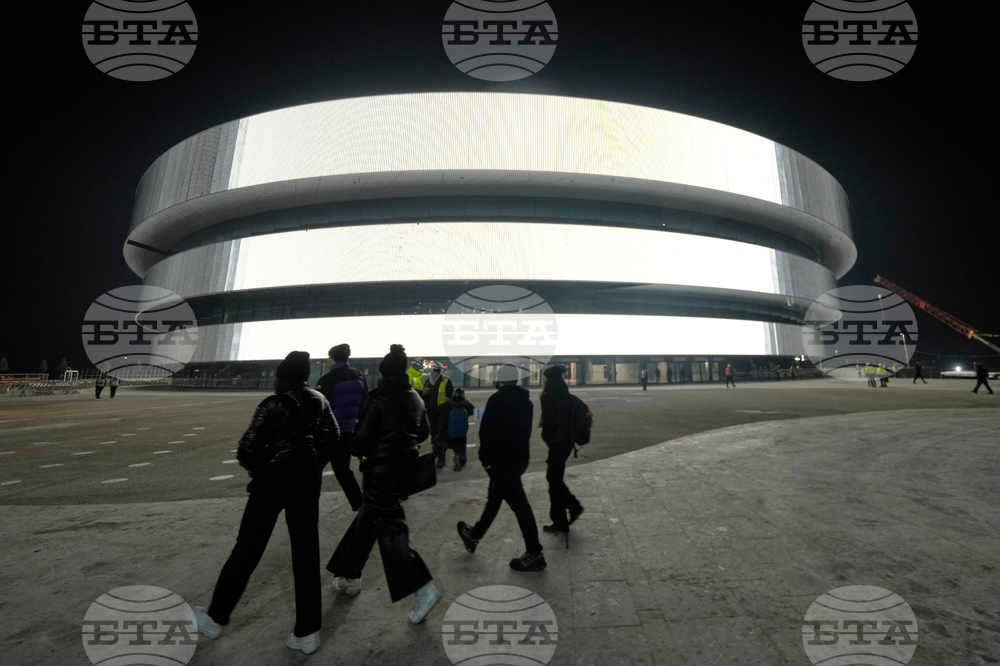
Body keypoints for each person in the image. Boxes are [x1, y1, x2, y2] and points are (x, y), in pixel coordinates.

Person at [194, 351, 338, 655]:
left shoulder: (272, 404)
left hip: (273, 482)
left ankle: (215, 618)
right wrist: (310, 463)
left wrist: (262, 470)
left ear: (281, 375)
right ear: (306, 375)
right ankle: (307, 632)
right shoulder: (319, 400)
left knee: (247, 549)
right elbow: (332, 435)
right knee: (306, 551)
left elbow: (247, 449)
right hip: (306, 481)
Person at [326, 344, 440, 624]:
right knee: (368, 520)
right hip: (406, 471)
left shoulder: (379, 398)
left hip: (380, 472)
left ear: (382, 373)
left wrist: (356, 446)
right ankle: (350, 575)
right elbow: (423, 431)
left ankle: (423, 588)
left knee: (390, 529)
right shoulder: (414, 397)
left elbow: (361, 441)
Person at [456, 364, 546, 572]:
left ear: (500, 380)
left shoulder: (497, 400)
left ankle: (535, 554)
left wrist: (485, 460)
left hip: (501, 463)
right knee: (494, 499)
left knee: (521, 507)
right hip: (519, 459)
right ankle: (475, 535)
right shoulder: (526, 401)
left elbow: (487, 433)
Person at [316, 343, 366, 511]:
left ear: (333, 358)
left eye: (328, 356)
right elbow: (364, 403)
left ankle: (306, 505)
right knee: (343, 471)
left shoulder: (328, 380)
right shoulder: (359, 376)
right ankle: (358, 503)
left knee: (313, 471)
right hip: (347, 431)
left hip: (327, 435)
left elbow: (320, 410)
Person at [539, 365, 584, 538]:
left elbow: (549, 423)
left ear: (549, 381)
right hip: (567, 443)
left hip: (557, 443)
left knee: (553, 481)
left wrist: (547, 438)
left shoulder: (548, 397)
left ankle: (568, 512)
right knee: (555, 480)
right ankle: (563, 518)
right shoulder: (566, 396)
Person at [422, 361, 454, 468]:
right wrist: (423, 394)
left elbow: (450, 397)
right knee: (433, 434)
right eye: (431, 370)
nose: (432, 372)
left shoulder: (446, 381)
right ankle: (436, 452)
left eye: (435, 370)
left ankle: (441, 457)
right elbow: (424, 397)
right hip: (431, 413)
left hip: (442, 413)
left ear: (439, 371)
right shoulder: (427, 382)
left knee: (440, 435)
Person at [437, 387, 474, 471]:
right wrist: (466, 401)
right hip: (461, 438)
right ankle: (460, 458)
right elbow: (473, 410)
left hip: (446, 437)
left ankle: (441, 459)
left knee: (436, 442)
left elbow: (437, 410)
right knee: (463, 457)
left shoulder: (446, 405)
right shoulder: (466, 406)